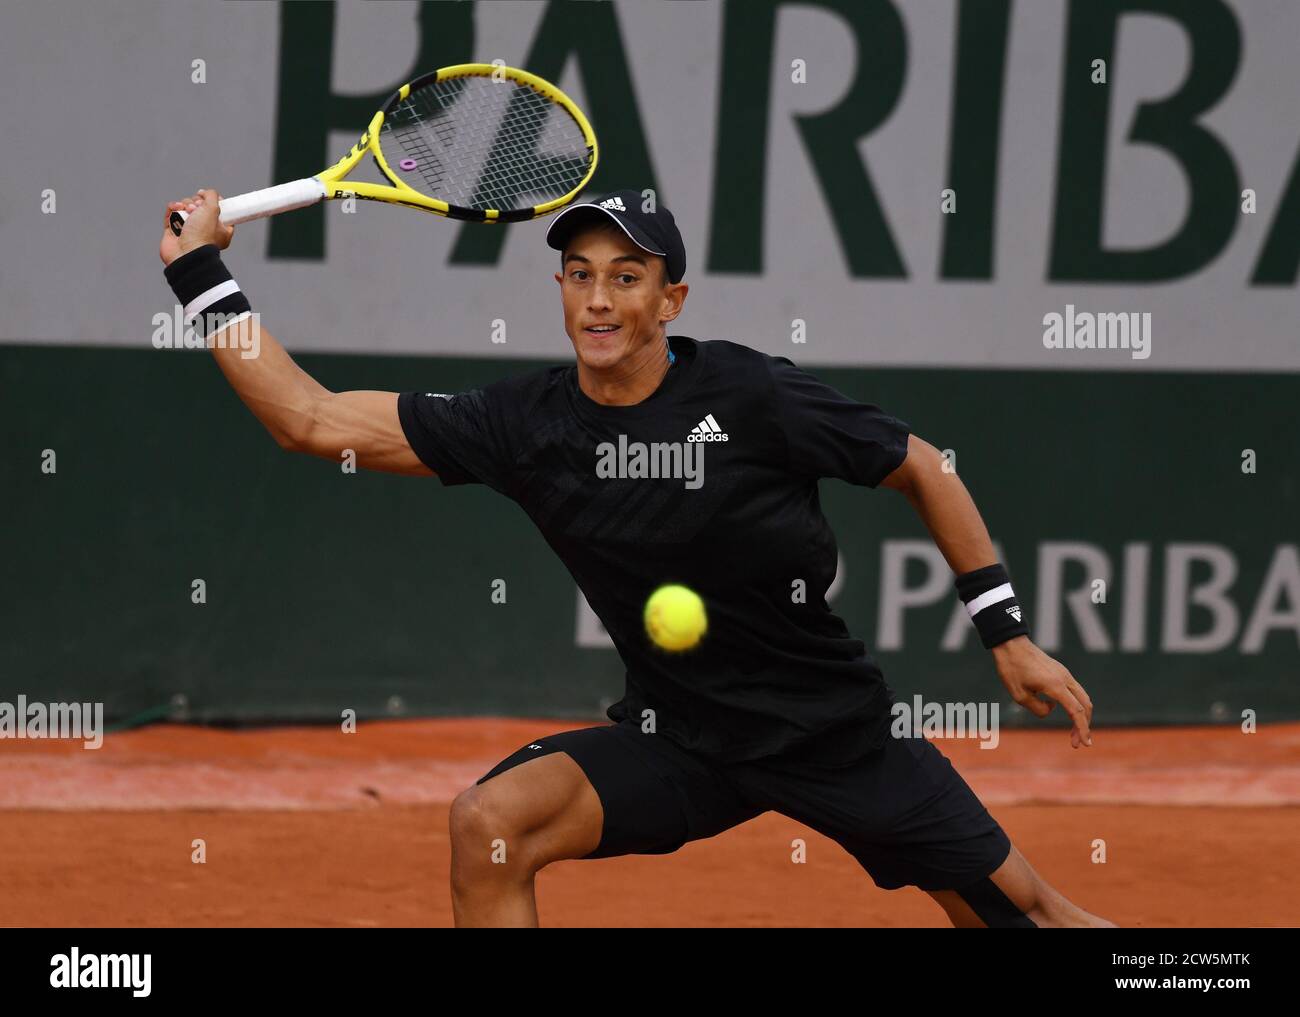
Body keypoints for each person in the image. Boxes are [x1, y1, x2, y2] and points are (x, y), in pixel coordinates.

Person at [159, 187, 1115, 928]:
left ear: (670, 299)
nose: (600, 298)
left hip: (828, 736)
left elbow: (924, 468)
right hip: (681, 739)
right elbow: (311, 419)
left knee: (1028, 915)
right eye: (579, 273)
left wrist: (1009, 636)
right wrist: (201, 271)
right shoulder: (526, 424)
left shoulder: (752, 396)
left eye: (627, 276)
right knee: (489, 824)